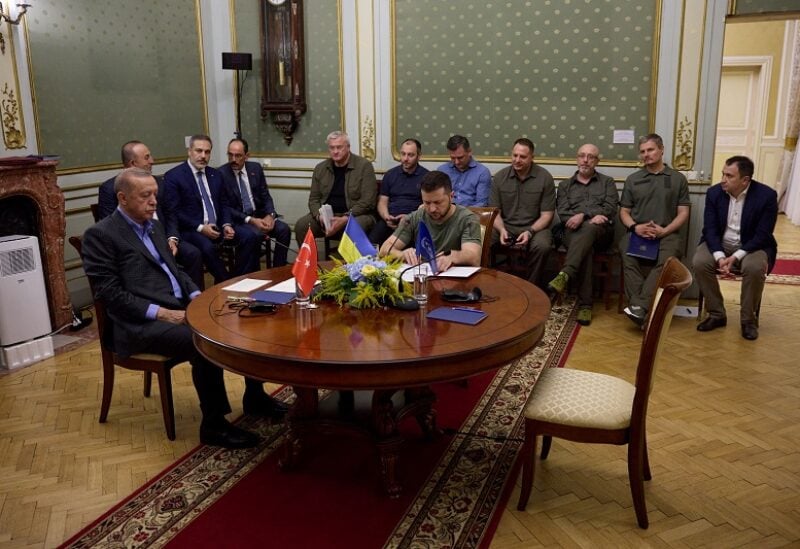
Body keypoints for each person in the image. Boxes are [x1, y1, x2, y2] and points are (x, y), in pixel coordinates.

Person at [81, 168, 287, 449]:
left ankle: (254, 397)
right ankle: (213, 425)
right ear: (123, 198)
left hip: (178, 308)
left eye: (155, 194)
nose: (154, 201)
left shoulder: (152, 225)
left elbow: (175, 269)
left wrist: (197, 297)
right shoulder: (100, 235)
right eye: (146, 196)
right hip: (139, 323)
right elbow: (111, 295)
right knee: (204, 342)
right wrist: (165, 313)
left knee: (247, 318)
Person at [97, 141, 204, 289]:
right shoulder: (110, 189)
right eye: (147, 157)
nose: (152, 161)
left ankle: (193, 302)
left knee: (193, 254)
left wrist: (172, 239)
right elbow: (110, 228)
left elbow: (170, 213)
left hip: (165, 239)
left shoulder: (158, 182)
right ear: (133, 163)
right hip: (136, 246)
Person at [693, 155, 777, 341]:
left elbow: (763, 234)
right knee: (699, 262)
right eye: (723, 174)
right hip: (719, 243)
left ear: (745, 180)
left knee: (754, 268)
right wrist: (719, 255)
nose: (723, 179)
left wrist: (737, 256)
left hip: (752, 245)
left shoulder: (766, 196)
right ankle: (716, 314)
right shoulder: (714, 193)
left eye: (729, 176)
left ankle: (748, 320)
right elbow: (710, 229)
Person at [164, 134, 260, 283]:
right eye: (199, 151)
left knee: (249, 237)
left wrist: (226, 224)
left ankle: (238, 278)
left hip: (217, 226)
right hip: (192, 228)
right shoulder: (174, 176)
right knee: (207, 247)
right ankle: (227, 282)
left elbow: (223, 204)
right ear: (189, 151)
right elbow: (174, 212)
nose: (203, 156)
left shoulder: (215, 174)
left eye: (207, 152)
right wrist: (201, 228)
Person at [619, 133, 691, 326]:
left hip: (667, 234)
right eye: (642, 151)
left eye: (650, 150)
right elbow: (624, 212)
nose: (646, 155)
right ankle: (641, 309)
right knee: (626, 253)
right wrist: (636, 227)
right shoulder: (633, 179)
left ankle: (638, 307)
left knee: (667, 261)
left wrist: (664, 231)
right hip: (638, 232)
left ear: (661, 150)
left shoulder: (677, 179)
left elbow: (683, 212)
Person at [547, 144, 619, 325]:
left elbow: (610, 209)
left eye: (591, 157)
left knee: (588, 229)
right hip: (572, 232)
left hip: (602, 233)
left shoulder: (607, 182)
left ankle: (566, 273)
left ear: (597, 161)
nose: (586, 160)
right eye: (582, 156)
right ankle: (585, 305)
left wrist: (584, 215)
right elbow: (563, 213)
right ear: (577, 158)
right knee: (585, 247)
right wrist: (590, 216)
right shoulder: (564, 186)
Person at [379, 170, 481, 272]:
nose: (432, 209)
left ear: (451, 196)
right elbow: (384, 250)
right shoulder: (415, 218)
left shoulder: (467, 219)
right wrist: (402, 254)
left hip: (454, 279)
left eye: (438, 202)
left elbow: (474, 257)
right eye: (427, 202)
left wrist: (453, 256)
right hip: (422, 277)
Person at [489, 138, 556, 289]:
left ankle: (532, 288)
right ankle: (487, 284)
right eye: (514, 155)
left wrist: (530, 232)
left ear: (532, 157)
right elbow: (495, 213)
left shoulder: (544, 178)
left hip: (535, 227)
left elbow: (547, 215)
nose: (517, 160)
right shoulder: (500, 177)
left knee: (543, 245)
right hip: (505, 225)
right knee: (481, 238)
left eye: (523, 157)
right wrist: (501, 230)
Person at [294, 131, 377, 246]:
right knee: (302, 225)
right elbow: (314, 199)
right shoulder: (320, 168)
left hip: (356, 215)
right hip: (326, 217)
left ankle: (352, 264)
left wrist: (345, 218)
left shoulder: (364, 166)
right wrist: (319, 216)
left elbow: (368, 201)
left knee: (356, 226)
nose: (335, 151)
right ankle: (311, 263)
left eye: (339, 147)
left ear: (348, 147)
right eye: (332, 148)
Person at [218, 138, 292, 267]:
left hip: (259, 215)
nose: (233, 159)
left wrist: (271, 215)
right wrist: (251, 220)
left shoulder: (255, 168)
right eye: (230, 155)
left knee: (283, 229)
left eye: (238, 155)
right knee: (255, 234)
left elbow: (266, 196)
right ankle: (253, 275)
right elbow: (226, 208)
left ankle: (278, 272)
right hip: (238, 221)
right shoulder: (221, 174)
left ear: (247, 156)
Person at [368, 138, 428, 245]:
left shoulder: (427, 177)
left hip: (414, 221)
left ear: (419, 156)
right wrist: (386, 217)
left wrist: (409, 218)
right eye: (403, 154)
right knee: (371, 244)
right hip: (390, 220)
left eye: (410, 155)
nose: (405, 158)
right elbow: (382, 201)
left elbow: (427, 205)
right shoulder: (390, 174)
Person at [437, 135, 492, 207]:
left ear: (469, 152)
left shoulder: (482, 172)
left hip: (471, 214)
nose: (456, 162)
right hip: (446, 212)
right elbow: (436, 197)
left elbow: (481, 204)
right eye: (453, 158)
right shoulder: (442, 171)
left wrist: (463, 214)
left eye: (460, 157)